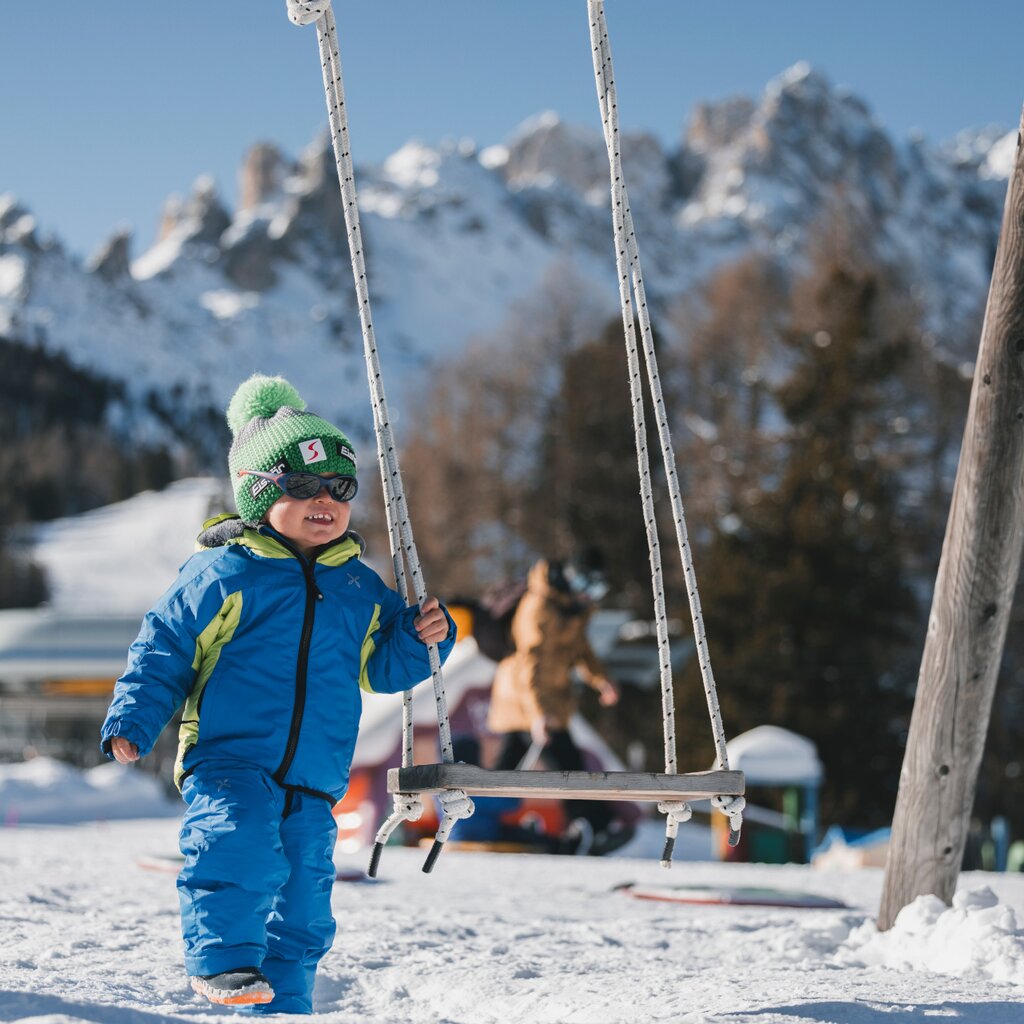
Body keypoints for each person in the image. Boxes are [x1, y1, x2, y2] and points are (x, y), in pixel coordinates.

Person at [99, 374, 455, 1014]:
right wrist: (135, 716)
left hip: (316, 774)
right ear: (260, 494)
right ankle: (225, 963)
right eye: (302, 487)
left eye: (339, 488)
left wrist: (425, 635)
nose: (325, 500)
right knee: (237, 845)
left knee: (306, 895)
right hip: (230, 758)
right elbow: (164, 649)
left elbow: (381, 668)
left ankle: (286, 1000)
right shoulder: (226, 573)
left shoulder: (357, 585)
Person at [486, 552, 629, 853]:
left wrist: (600, 679)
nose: (589, 596)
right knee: (568, 766)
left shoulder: (573, 608)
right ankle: (597, 827)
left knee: (506, 769)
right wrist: (538, 715)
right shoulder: (539, 607)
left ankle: (480, 820)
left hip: (546, 701)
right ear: (572, 578)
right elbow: (531, 665)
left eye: (597, 591)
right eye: (587, 587)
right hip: (525, 698)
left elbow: (580, 649)